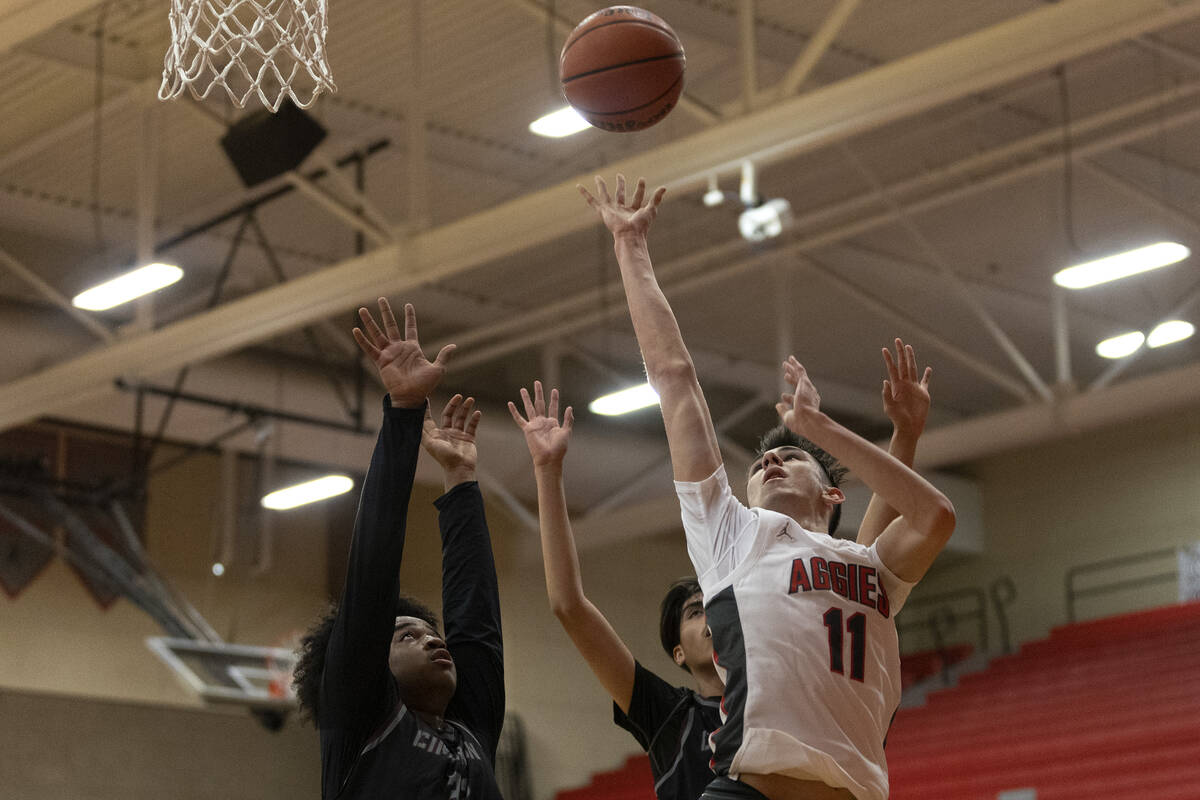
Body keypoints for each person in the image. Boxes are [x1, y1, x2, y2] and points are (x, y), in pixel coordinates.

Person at [578, 175, 956, 800]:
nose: (771, 461)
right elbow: (674, 379)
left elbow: (935, 515)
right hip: (750, 791)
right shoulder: (731, 535)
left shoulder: (873, 567)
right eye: (759, 463)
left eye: (790, 456)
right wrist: (630, 245)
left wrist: (821, 427)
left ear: (833, 496)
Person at [292, 299, 505, 800]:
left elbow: (476, 619)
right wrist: (404, 416)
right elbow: (373, 569)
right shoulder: (362, 719)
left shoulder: (472, 731)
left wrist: (460, 479)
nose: (435, 641)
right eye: (407, 636)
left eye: (431, 633)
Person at [508, 380, 722, 800]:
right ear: (678, 653)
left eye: (716, 603)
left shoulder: (778, 697)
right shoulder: (671, 715)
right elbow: (569, 606)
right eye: (696, 611)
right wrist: (548, 473)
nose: (712, 614)